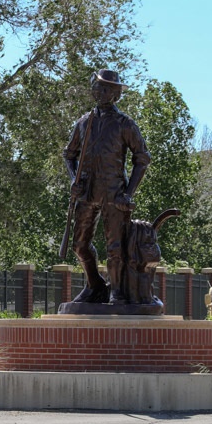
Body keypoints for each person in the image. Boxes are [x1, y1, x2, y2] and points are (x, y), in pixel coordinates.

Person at [63, 69, 151, 304]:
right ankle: (95, 286)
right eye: (96, 87)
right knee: (79, 245)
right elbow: (69, 154)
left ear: (115, 95)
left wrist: (128, 194)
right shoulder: (84, 122)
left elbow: (142, 159)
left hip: (114, 192)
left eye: (105, 89)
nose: (98, 92)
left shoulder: (125, 124)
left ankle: (117, 292)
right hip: (87, 192)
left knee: (115, 247)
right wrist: (74, 179)